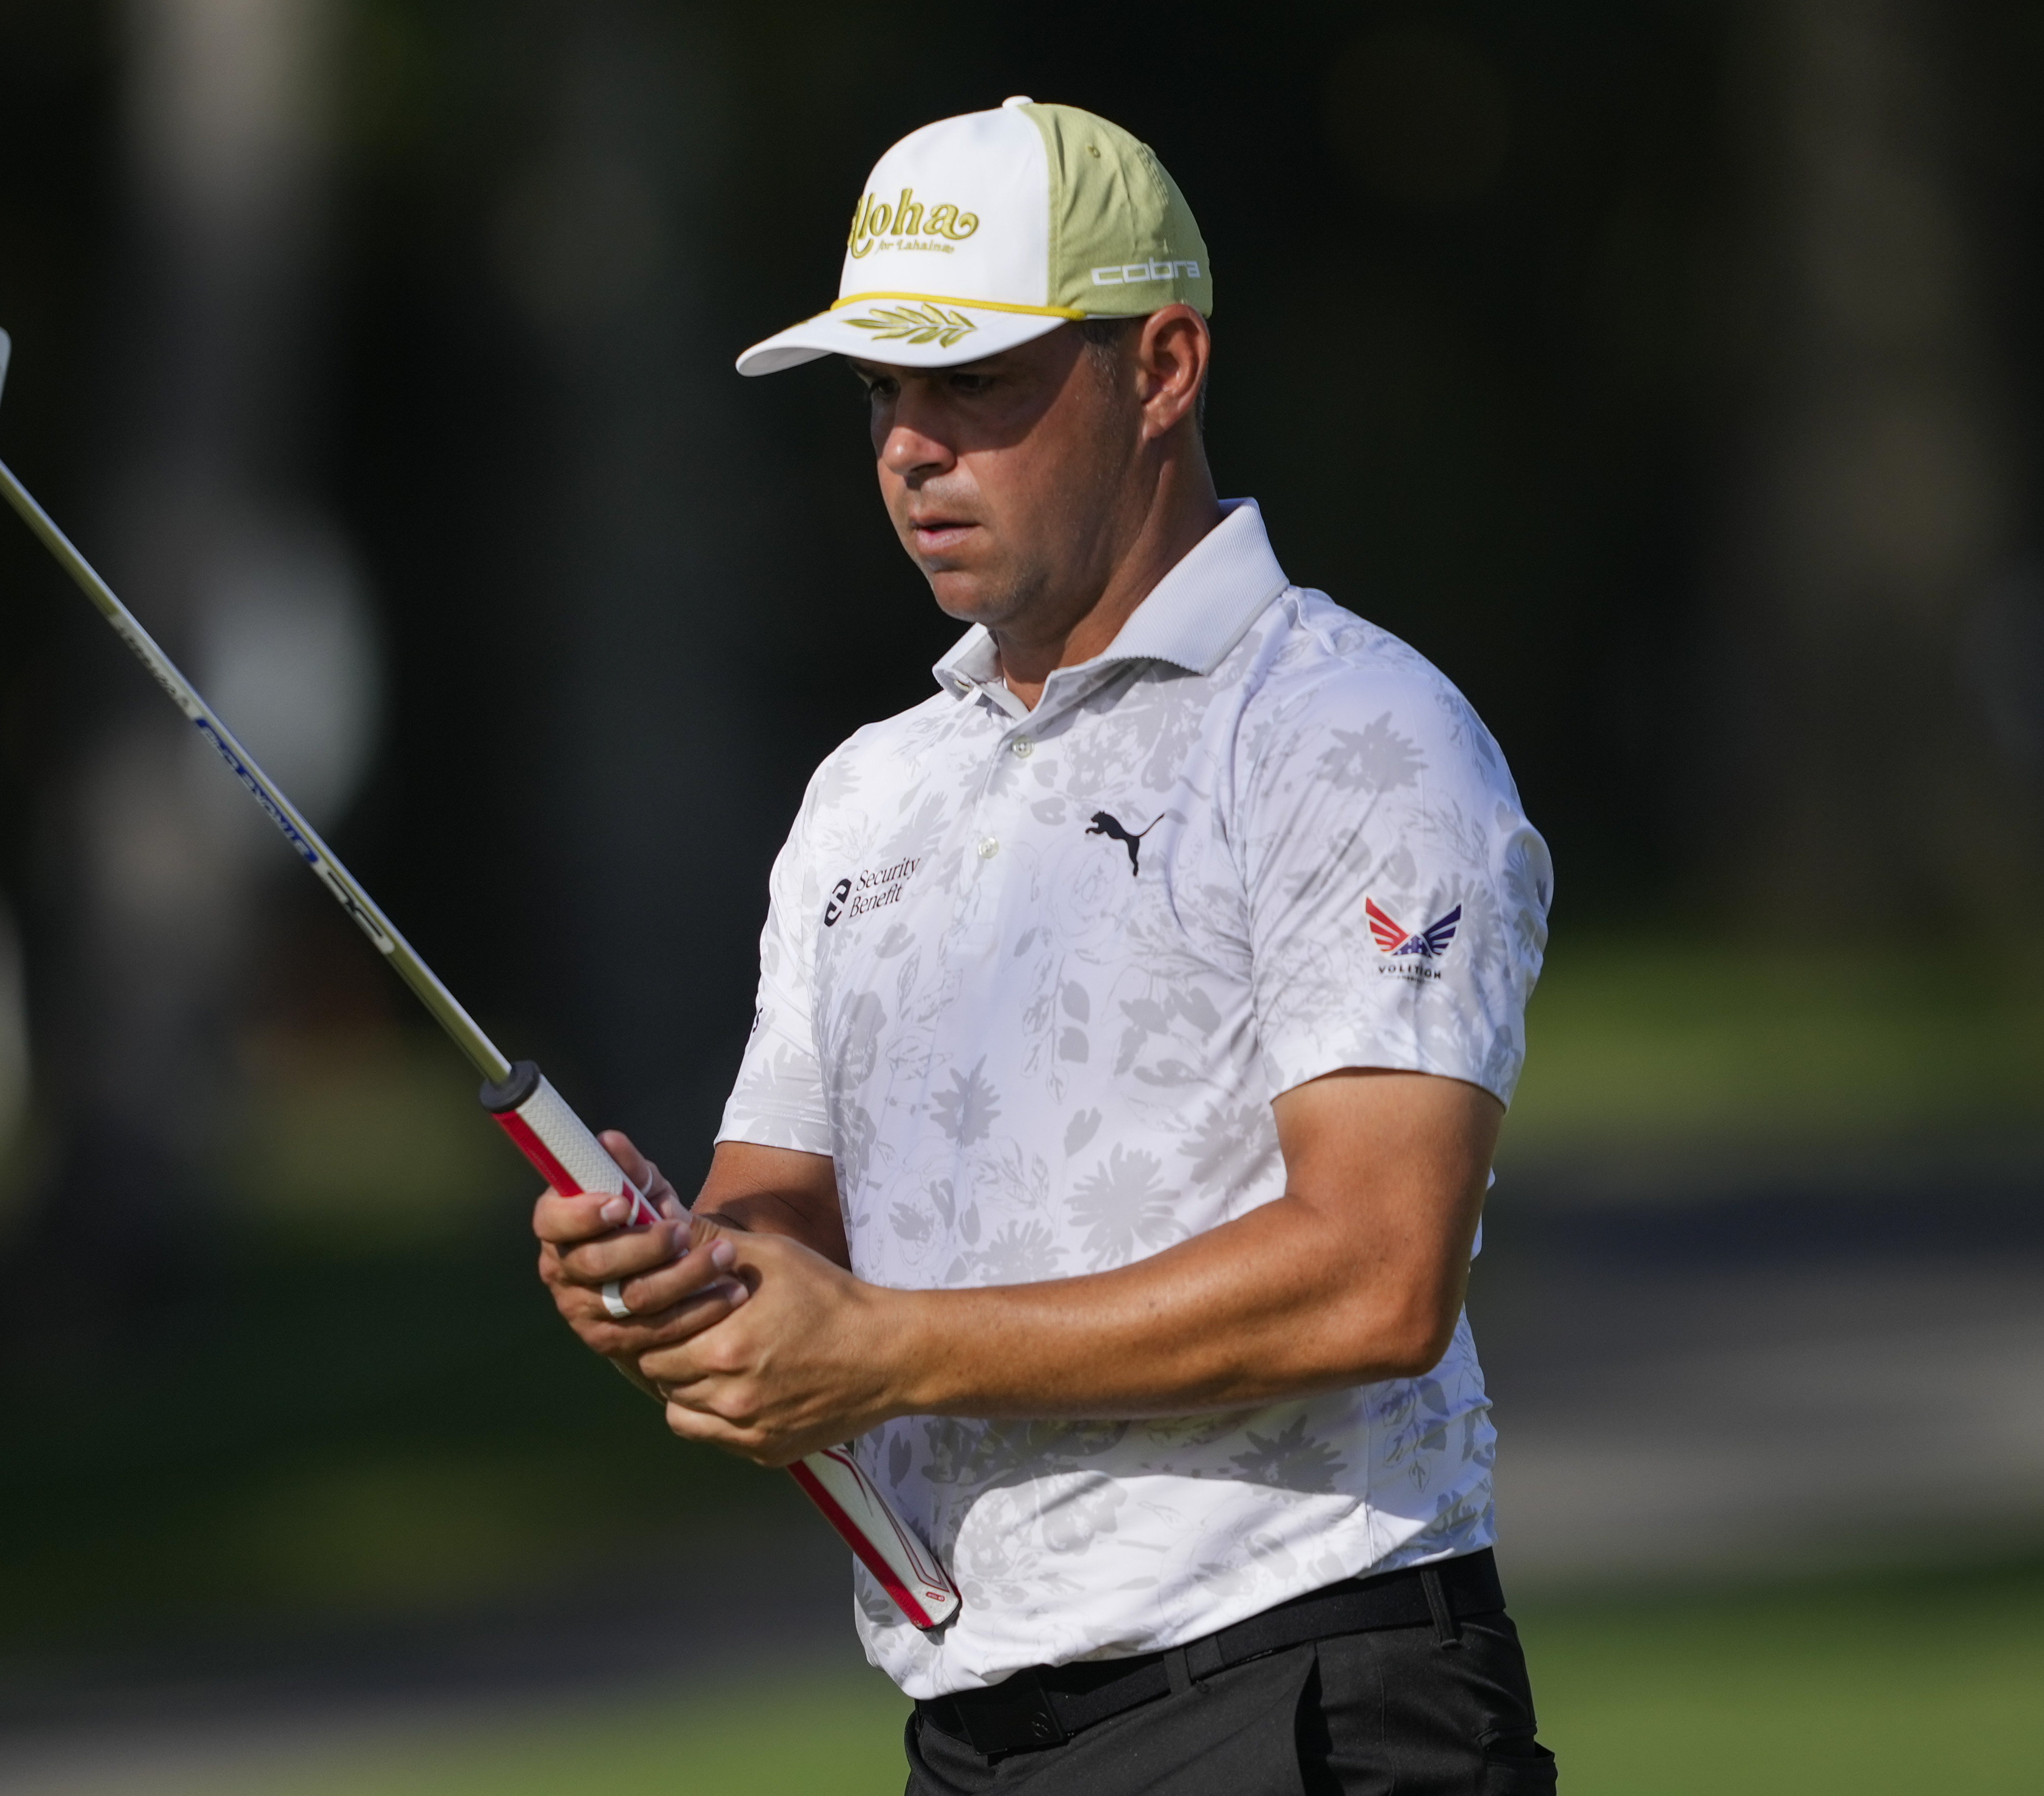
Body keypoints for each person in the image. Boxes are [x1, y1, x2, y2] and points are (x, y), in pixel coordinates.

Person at [531, 98, 1557, 1794]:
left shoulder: (1351, 730)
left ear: (1162, 367)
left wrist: (890, 1346)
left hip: (1308, 1696)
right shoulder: (869, 795)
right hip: (976, 1728)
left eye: (975, 384)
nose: (910, 446)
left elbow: (1379, 1269)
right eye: (882, 391)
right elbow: (781, 1208)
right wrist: (679, 1281)